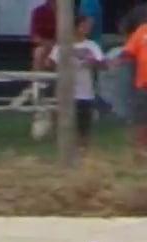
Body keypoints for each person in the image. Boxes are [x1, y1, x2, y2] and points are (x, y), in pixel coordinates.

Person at [53, 16, 109, 151]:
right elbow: (52, 63)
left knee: (84, 125)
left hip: (86, 92)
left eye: (88, 26)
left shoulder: (91, 45)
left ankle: (84, 150)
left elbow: (104, 65)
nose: (87, 29)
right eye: (84, 26)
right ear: (75, 27)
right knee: (66, 125)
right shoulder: (62, 45)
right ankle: (67, 150)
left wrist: (94, 62)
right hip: (67, 92)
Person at [121, 18, 147, 155]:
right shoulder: (142, 30)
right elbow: (129, 51)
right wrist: (120, 59)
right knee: (142, 118)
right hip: (144, 84)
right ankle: (141, 150)